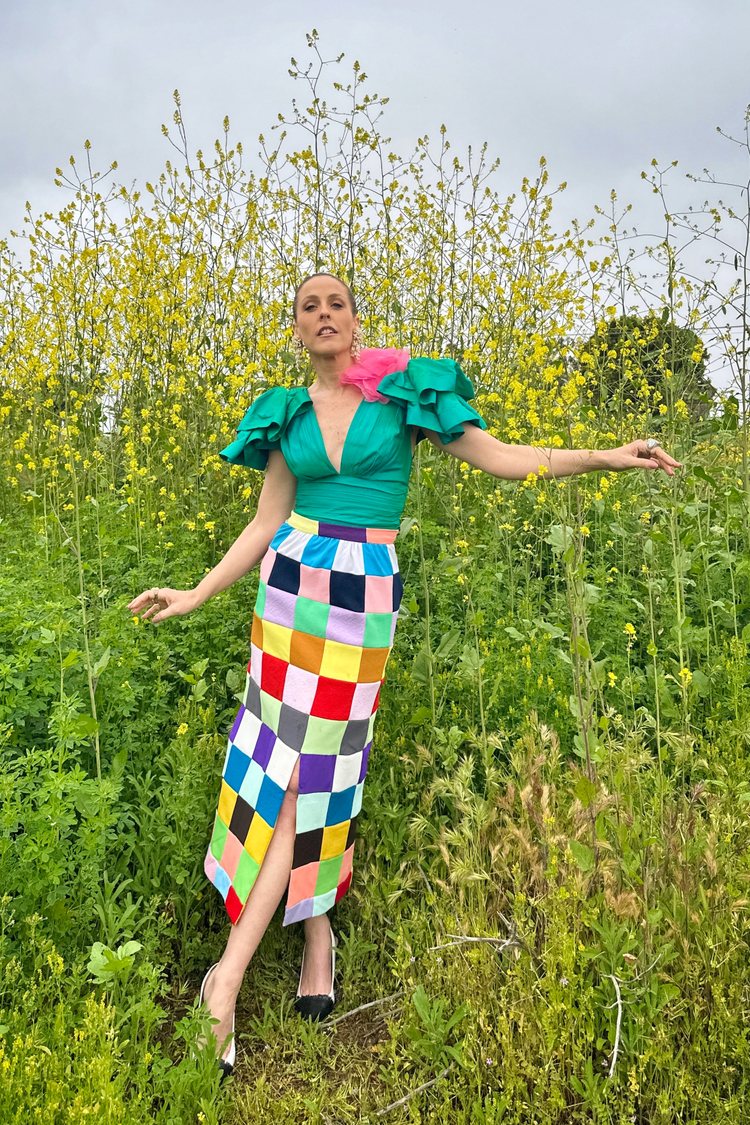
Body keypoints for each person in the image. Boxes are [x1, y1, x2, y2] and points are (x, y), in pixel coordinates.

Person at [126, 273, 682, 1078]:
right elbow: (265, 520)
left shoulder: (401, 393)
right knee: (278, 771)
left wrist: (604, 456)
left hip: (361, 604)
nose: (324, 314)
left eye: (336, 304)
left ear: (356, 322)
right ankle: (300, 942)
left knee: (325, 769)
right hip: (289, 598)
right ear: (297, 329)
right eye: (308, 306)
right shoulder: (286, 412)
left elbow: (500, 458)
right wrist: (195, 593)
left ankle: (231, 974)